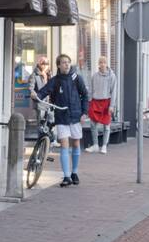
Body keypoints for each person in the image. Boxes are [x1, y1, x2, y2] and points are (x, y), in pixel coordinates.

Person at [37, 54, 89, 187]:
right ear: (58, 65)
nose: (66, 64)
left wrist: (84, 113)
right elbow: (44, 91)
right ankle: (66, 176)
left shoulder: (76, 78)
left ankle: (74, 172)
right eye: (63, 62)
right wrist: (36, 96)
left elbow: (85, 95)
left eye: (68, 62)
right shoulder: (55, 80)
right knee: (65, 144)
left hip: (76, 115)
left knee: (76, 144)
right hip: (61, 116)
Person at [87, 56, 117, 154]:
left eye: (104, 62)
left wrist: (112, 105)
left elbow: (114, 92)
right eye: (100, 62)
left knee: (106, 125)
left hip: (106, 102)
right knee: (92, 124)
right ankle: (95, 145)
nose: (102, 64)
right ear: (98, 64)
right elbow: (91, 90)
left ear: (107, 63)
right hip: (95, 102)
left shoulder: (112, 76)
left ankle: (104, 146)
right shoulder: (94, 76)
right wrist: (89, 102)